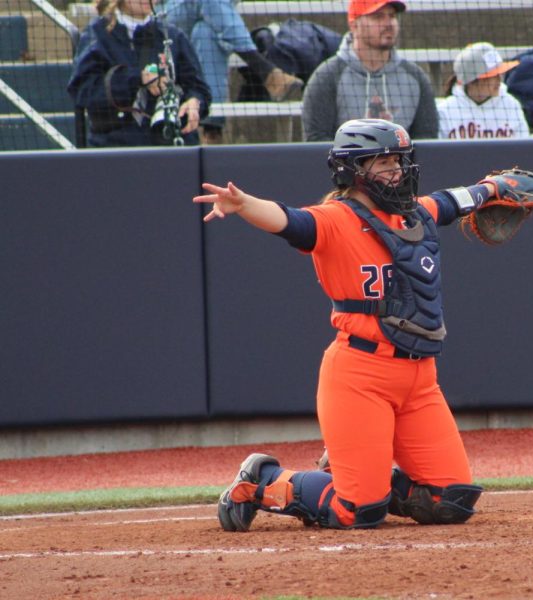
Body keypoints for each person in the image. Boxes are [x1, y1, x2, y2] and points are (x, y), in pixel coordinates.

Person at [195, 118, 503, 530]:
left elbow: (451, 200)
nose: (397, 170)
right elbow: (288, 220)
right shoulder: (335, 219)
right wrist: (244, 204)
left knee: (452, 501)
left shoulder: (415, 215)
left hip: (419, 379)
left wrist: (492, 189)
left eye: (399, 160)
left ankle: (363, 471)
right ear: (353, 170)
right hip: (361, 375)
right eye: (384, 162)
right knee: (356, 512)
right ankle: (263, 481)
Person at [68, 0, 212, 147]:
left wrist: (195, 103)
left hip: (169, 146)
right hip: (114, 147)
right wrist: (136, 79)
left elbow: (199, 88)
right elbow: (83, 90)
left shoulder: (172, 36)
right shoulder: (97, 35)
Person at [156, 0, 304, 143]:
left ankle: (210, 131)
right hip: (160, 11)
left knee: (204, 31)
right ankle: (266, 71)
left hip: (207, 13)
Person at [300, 0, 438, 142]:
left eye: (392, 16)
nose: (389, 23)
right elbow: (316, 143)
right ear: (354, 25)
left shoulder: (415, 77)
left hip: (399, 163)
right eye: (378, 17)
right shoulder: (327, 76)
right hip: (346, 164)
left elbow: (426, 142)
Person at [437, 42, 530, 140]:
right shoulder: (445, 111)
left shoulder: (511, 105)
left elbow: (523, 150)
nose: (499, 79)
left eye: (499, 73)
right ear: (472, 81)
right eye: (492, 75)